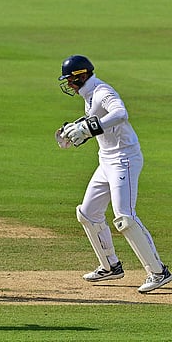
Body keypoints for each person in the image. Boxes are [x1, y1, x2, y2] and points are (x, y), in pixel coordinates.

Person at [55, 55, 172, 293]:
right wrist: (76, 130)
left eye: (70, 80)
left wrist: (88, 127)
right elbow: (99, 122)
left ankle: (158, 271)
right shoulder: (88, 96)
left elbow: (120, 114)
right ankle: (110, 266)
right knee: (87, 213)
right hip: (106, 160)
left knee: (125, 218)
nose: (68, 85)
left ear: (81, 76)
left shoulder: (101, 91)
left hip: (124, 160)